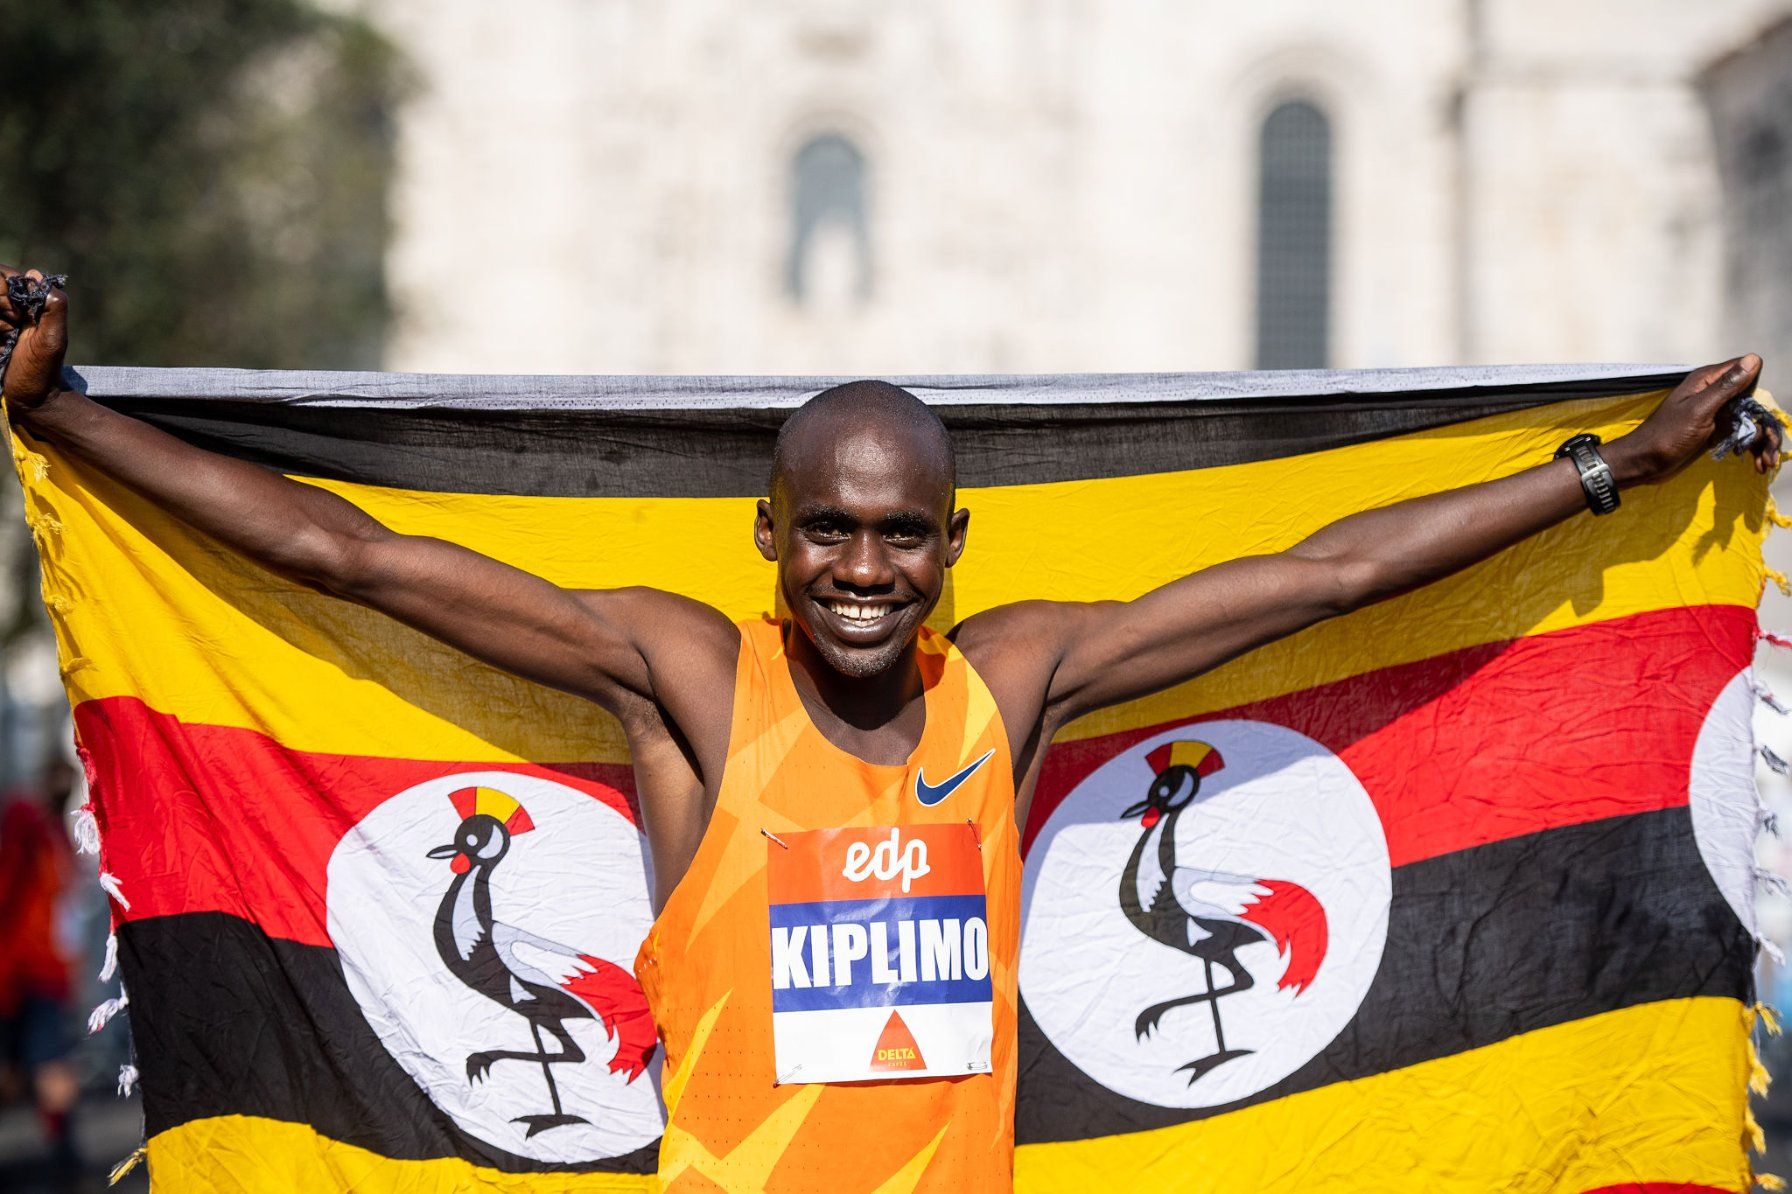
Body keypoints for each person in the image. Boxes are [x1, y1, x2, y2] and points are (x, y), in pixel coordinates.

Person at [0, 265, 1779, 1191]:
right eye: (830, 527)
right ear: (767, 534)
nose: (865, 564)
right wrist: (64, 416)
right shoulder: (688, 685)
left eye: (901, 529)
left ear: (952, 543)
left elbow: (1323, 577)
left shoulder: (1010, 684)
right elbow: (351, 552)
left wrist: (1603, 469)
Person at [0, 754, 81, 1176]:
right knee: (38, 1067)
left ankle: (65, 1154)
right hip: (20, 969)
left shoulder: (55, 834)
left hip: (42, 971)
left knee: (38, 1064)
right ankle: (65, 1155)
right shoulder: (27, 821)